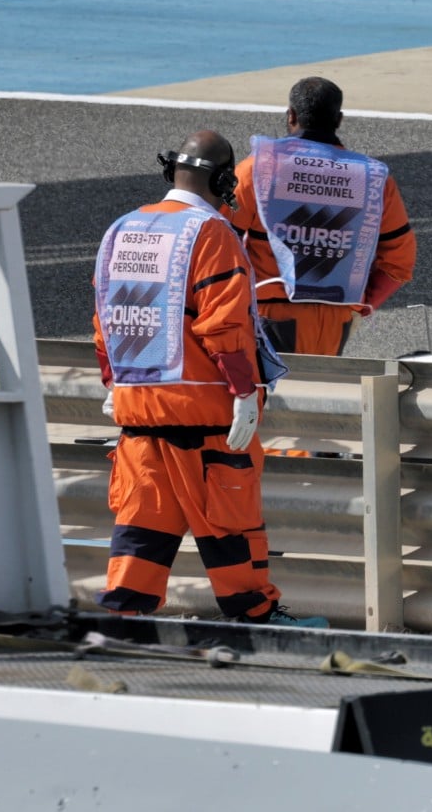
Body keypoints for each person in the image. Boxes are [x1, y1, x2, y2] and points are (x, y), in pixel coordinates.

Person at [91, 130, 326, 628]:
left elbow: (105, 319)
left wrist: (114, 381)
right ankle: (256, 617)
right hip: (203, 415)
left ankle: (123, 620)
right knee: (230, 527)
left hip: (138, 412)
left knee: (141, 524)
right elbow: (225, 324)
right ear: (222, 179)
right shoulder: (211, 233)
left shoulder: (123, 229)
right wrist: (244, 392)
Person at [230, 77, 416, 356]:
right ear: (338, 119)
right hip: (337, 318)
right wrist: (360, 305)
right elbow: (399, 261)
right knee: (322, 394)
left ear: (291, 115)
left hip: (269, 315)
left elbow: (216, 242)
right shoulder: (374, 178)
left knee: (270, 398)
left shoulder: (255, 170)